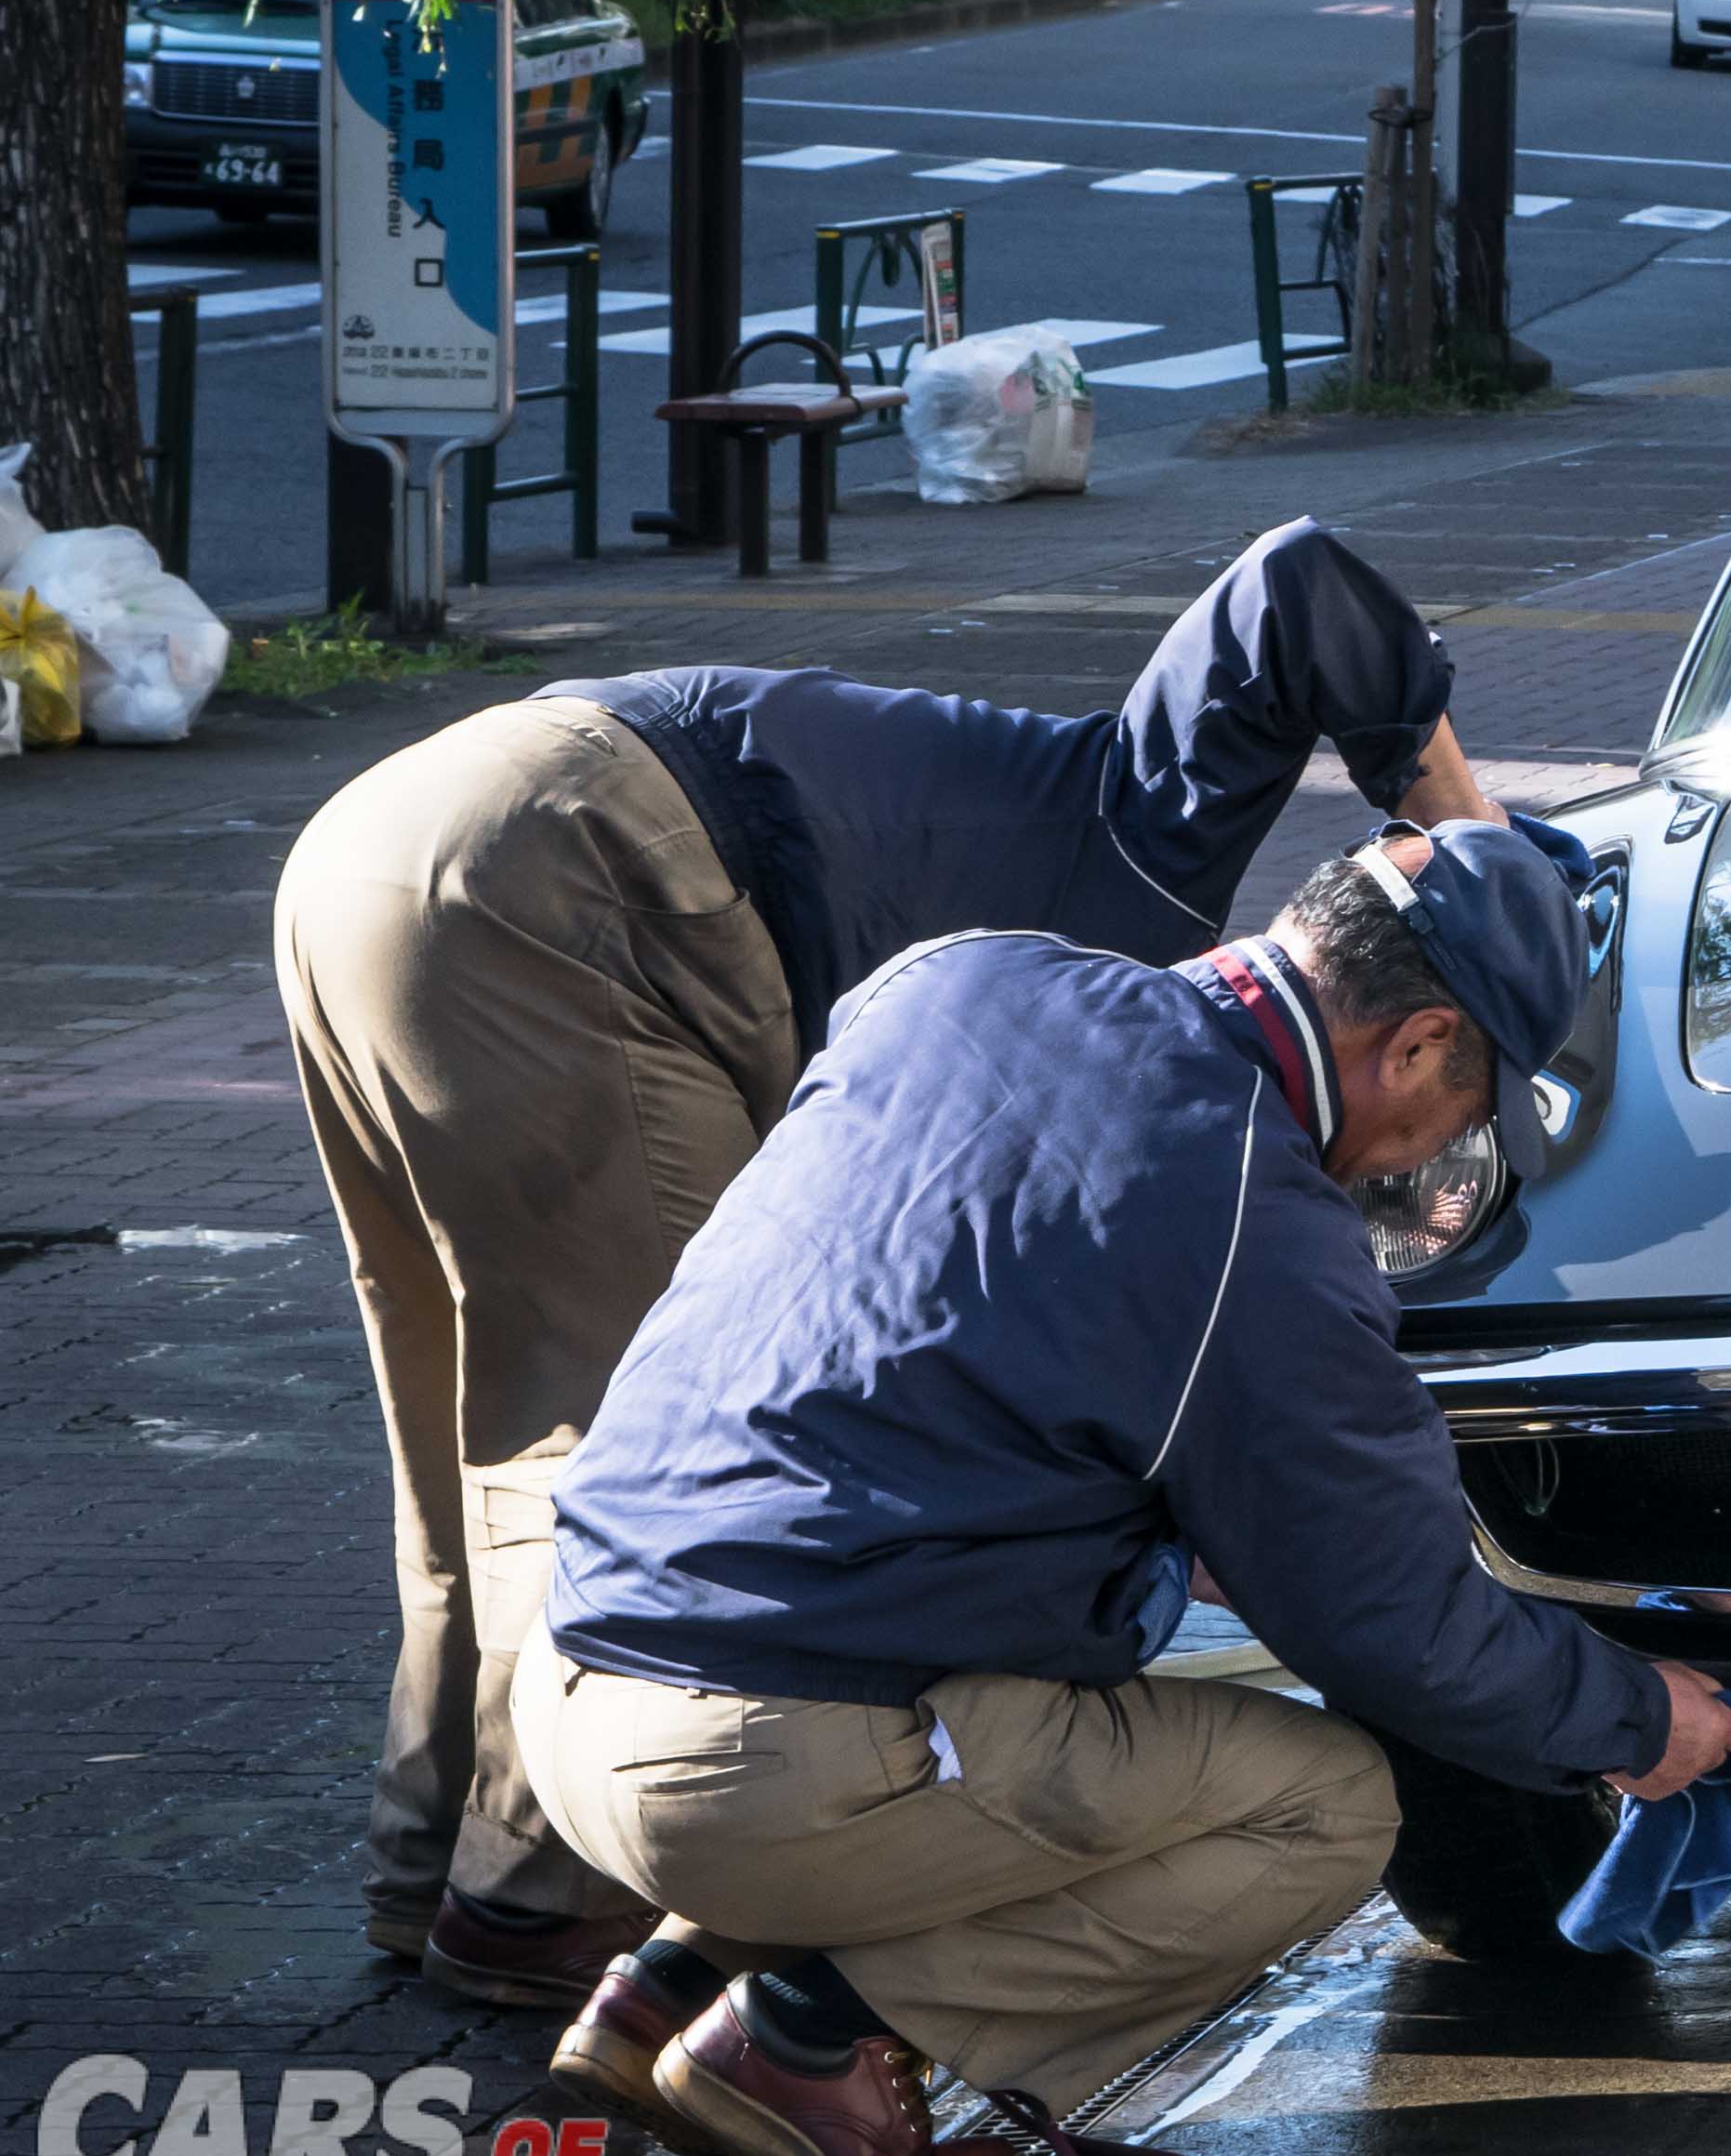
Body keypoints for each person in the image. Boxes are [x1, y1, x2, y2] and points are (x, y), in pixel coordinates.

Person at [272, 519, 1500, 2008]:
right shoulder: (1144, 884)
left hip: (386, 835)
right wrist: (1466, 827)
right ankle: (536, 1902)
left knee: (457, 1421)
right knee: (613, 1433)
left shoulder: (1113, 820)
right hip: (574, 884)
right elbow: (1299, 577)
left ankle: (424, 1869)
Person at [514, 820, 1731, 2156]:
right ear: (1414, 1047)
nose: (1443, 1147)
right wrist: (1632, 1714)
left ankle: (663, 1983)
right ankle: (807, 2040)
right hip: (751, 1768)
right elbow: (1398, 1631)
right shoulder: (1258, 1223)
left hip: (566, 1680)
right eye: (1469, 1108)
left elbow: (942, 1353)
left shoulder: (960, 977)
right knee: (1326, 1806)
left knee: (941, 1638)